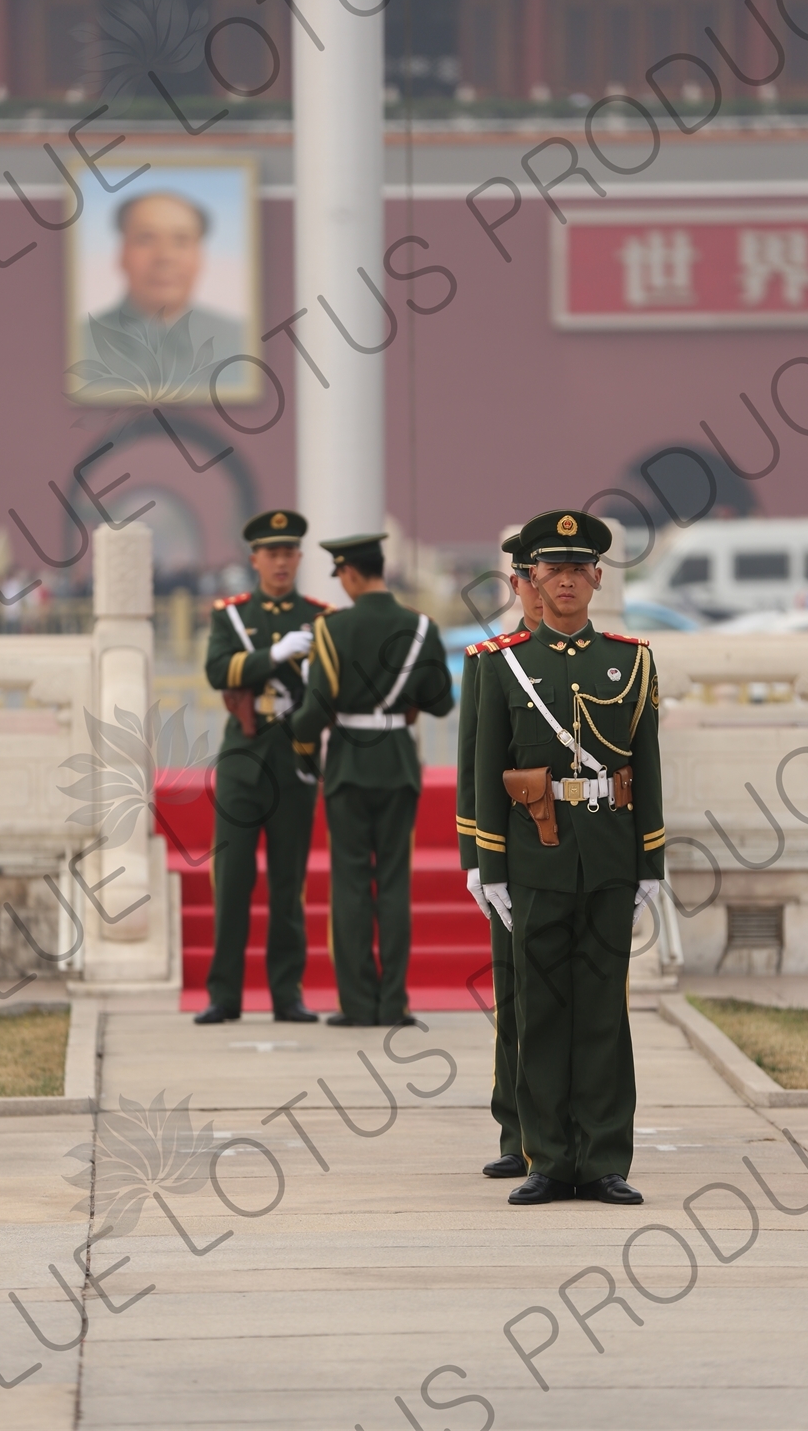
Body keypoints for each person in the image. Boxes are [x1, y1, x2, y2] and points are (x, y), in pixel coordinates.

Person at [473, 510, 666, 1206]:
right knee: (544, 1012)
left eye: (576, 569)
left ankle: (605, 1158)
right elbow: (486, 770)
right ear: (534, 580)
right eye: (552, 570)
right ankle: (548, 1157)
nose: (564, 581)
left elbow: (645, 761)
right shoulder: (500, 666)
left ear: (597, 578)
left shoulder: (632, 658)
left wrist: (651, 860)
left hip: (610, 852)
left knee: (603, 1013)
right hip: (536, 856)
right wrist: (489, 868)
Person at [289, 533, 453, 1027]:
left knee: (353, 885)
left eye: (342, 577)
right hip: (398, 764)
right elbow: (442, 701)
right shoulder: (421, 627)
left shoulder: (333, 630)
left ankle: (359, 1004)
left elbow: (316, 707)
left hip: (348, 768)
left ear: (353, 574)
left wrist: (297, 736)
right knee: (395, 883)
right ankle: (394, 1002)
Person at [195, 510, 330, 1025]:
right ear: (254, 559)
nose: (279, 561)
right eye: (270, 553)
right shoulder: (231, 615)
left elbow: (329, 689)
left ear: (298, 558)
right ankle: (223, 994)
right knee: (232, 881)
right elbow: (216, 670)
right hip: (243, 761)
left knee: (287, 884)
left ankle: (286, 993)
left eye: (288, 552)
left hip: (293, 758)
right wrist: (273, 655)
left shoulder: (319, 616)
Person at [456, 532, 542, 1180]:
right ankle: (516, 1129)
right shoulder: (492, 661)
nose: (547, 591)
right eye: (535, 579)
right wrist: (474, 858)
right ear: (517, 585)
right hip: (512, 850)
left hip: (579, 847)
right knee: (514, 994)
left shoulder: (603, 659)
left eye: (564, 574)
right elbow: (473, 768)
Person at [77, 191, 245, 397]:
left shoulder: (243, 343)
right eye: (145, 239)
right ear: (122, 254)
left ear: (200, 257)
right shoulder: (77, 344)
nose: (165, 257)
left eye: (181, 241)